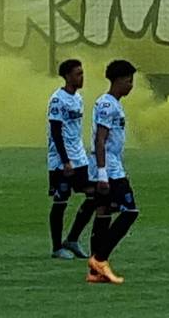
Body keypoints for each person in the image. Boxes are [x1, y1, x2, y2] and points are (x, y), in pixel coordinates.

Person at [86, 59, 139, 285]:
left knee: (103, 211)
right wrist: (103, 174)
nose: (131, 86)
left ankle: (96, 273)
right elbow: (100, 139)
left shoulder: (111, 103)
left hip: (109, 164)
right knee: (130, 211)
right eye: (129, 81)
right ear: (118, 80)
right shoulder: (108, 105)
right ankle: (100, 258)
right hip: (109, 167)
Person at [47, 58, 97, 260]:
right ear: (67, 76)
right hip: (62, 160)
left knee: (94, 195)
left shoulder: (78, 98)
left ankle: (73, 239)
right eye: (78, 74)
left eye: (82, 73)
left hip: (79, 157)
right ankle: (57, 247)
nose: (82, 77)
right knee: (61, 201)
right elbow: (56, 132)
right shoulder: (58, 100)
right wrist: (65, 160)